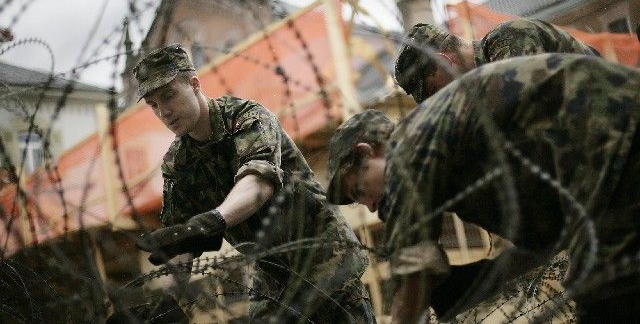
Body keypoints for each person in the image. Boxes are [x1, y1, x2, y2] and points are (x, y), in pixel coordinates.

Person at [326, 54, 640, 323]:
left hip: (610, 138)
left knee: (609, 297)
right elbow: (543, 239)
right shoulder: (442, 150)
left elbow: (412, 275)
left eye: (359, 191)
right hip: (612, 137)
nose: (370, 207)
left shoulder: (409, 149)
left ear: (369, 152)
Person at [132, 44, 375, 323]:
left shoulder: (247, 118)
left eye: (169, 95)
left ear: (194, 84)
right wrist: (166, 303)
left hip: (322, 251)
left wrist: (213, 221)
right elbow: (182, 241)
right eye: (154, 105)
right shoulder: (178, 164)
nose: (164, 111)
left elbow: (258, 186)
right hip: (271, 270)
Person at [394, 18, 600, 103]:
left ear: (444, 62)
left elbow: (523, 110)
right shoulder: (484, 80)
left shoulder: (506, 39)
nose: (441, 100)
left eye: (432, 91)